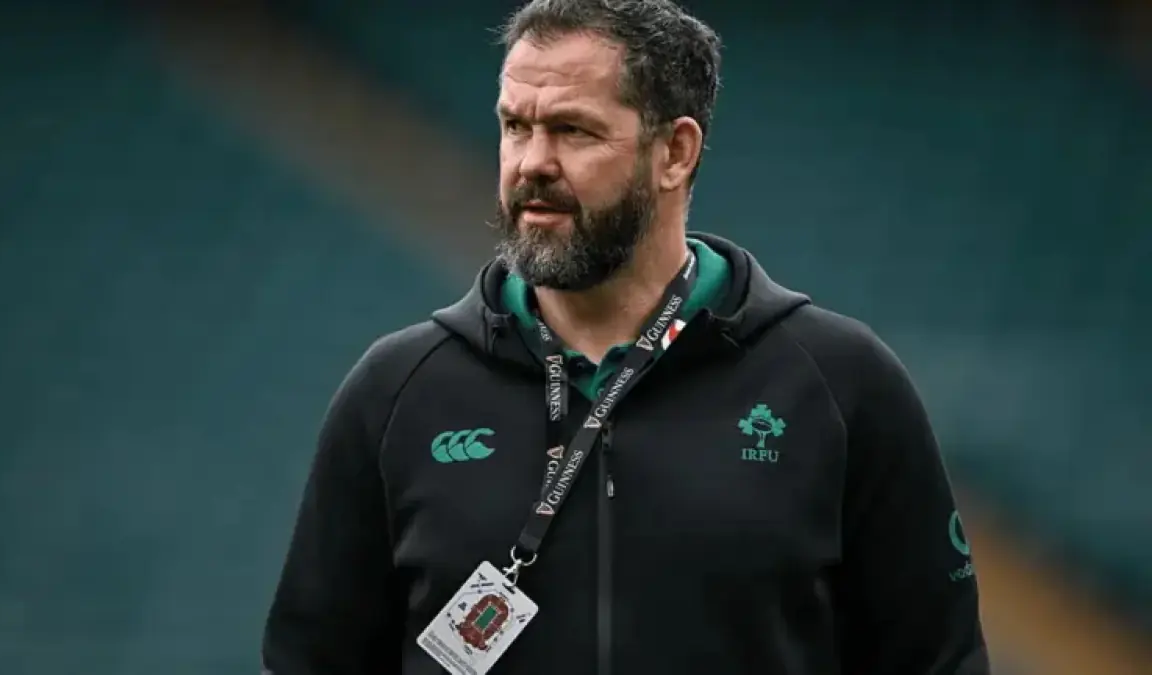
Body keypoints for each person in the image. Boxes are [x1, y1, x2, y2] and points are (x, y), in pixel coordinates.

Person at [261, 0, 991, 673]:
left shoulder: (840, 384)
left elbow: (940, 661)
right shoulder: (396, 392)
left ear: (675, 152)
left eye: (572, 130)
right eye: (515, 126)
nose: (532, 163)